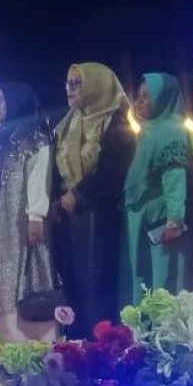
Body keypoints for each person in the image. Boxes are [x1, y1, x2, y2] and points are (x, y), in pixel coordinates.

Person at [51, 62, 134, 337]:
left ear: (97, 86)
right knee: (76, 284)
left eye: (77, 83)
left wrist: (79, 194)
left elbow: (115, 171)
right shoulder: (67, 123)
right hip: (72, 219)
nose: (70, 89)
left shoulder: (116, 123)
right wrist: (58, 200)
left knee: (99, 283)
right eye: (68, 83)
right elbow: (57, 169)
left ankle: (103, 346)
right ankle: (78, 346)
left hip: (103, 216)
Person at [0, 82, 56, 343]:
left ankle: (29, 344)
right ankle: (1, 346)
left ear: (17, 102)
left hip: (21, 220)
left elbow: (39, 175)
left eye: (2, 100)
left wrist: (36, 216)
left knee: (23, 277)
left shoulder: (34, 135)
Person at [121, 73, 190, 303]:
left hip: (159, 218)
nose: (139, 102)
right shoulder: (149, 129)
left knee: (160, 279)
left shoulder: (171, 131)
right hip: (141, 216)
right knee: (143, 277)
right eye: (139, 96)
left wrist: (174, 221)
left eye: (147, 96)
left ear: (163, 99)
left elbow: (175, 179)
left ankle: (159, 326)